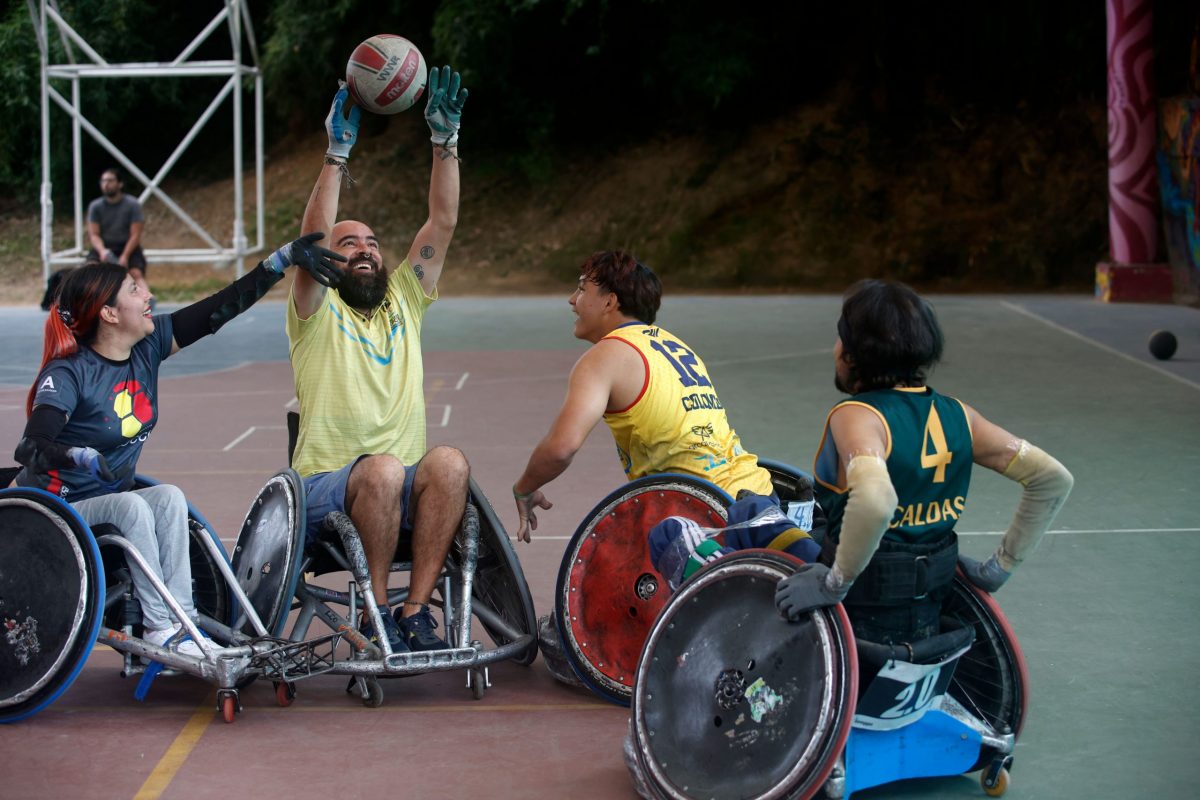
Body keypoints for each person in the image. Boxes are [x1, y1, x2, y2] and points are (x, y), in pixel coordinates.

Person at [13, 235, 344, 658]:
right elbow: (30, 447)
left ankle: (184, 625)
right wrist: (79, 456)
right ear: (109, 314)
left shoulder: (147, 348)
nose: (148, 295)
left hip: (108, 501)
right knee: (132, 507)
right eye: (135, 290)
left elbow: (219, 309)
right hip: (55, 512)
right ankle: (158, 629)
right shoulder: (68, 374)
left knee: (169, 497)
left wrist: (279, 262)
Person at [774, 279, 1074, 645]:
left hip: (861, 606)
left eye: (840, 337)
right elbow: (1051, 478)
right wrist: (999, 568)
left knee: (761, 523)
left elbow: (875, 501)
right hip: (932, 600)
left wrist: (834, 583)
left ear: (852, 354)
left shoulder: (857, 415)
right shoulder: (959, 415)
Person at [286, 68, 470, 655]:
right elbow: (310, 241)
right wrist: (336, 155)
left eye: (371, 243)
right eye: (349, 244)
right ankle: (377, 614)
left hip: (400, 484)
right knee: (385, 470)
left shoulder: (404, 300)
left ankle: (415, 613)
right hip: (325, 488)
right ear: (329, 261)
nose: (364, 249)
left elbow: (442, 222)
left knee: (449, 463)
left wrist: (444, 142)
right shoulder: (317, 311)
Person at [510, 250, 780, 543]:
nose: (572, 300)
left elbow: (562, 448)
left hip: (705, 513)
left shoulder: (606, 355)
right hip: (759, 494)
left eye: (582, 289)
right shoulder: (677, 346)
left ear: (610, 302)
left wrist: (524, 488)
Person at [87, 168, 150, 296]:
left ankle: (146, 300)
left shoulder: (133, 204)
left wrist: (125, 256)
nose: (106, 184)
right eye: (103, 181)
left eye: (110, 180)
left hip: (128, 247)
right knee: (90, 271)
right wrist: (102, 251)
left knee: (135, 273)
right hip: (104, 247)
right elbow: (94, 235)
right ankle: (90, 301)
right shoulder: (95, 206)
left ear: (120, 184)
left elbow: (135, 235)